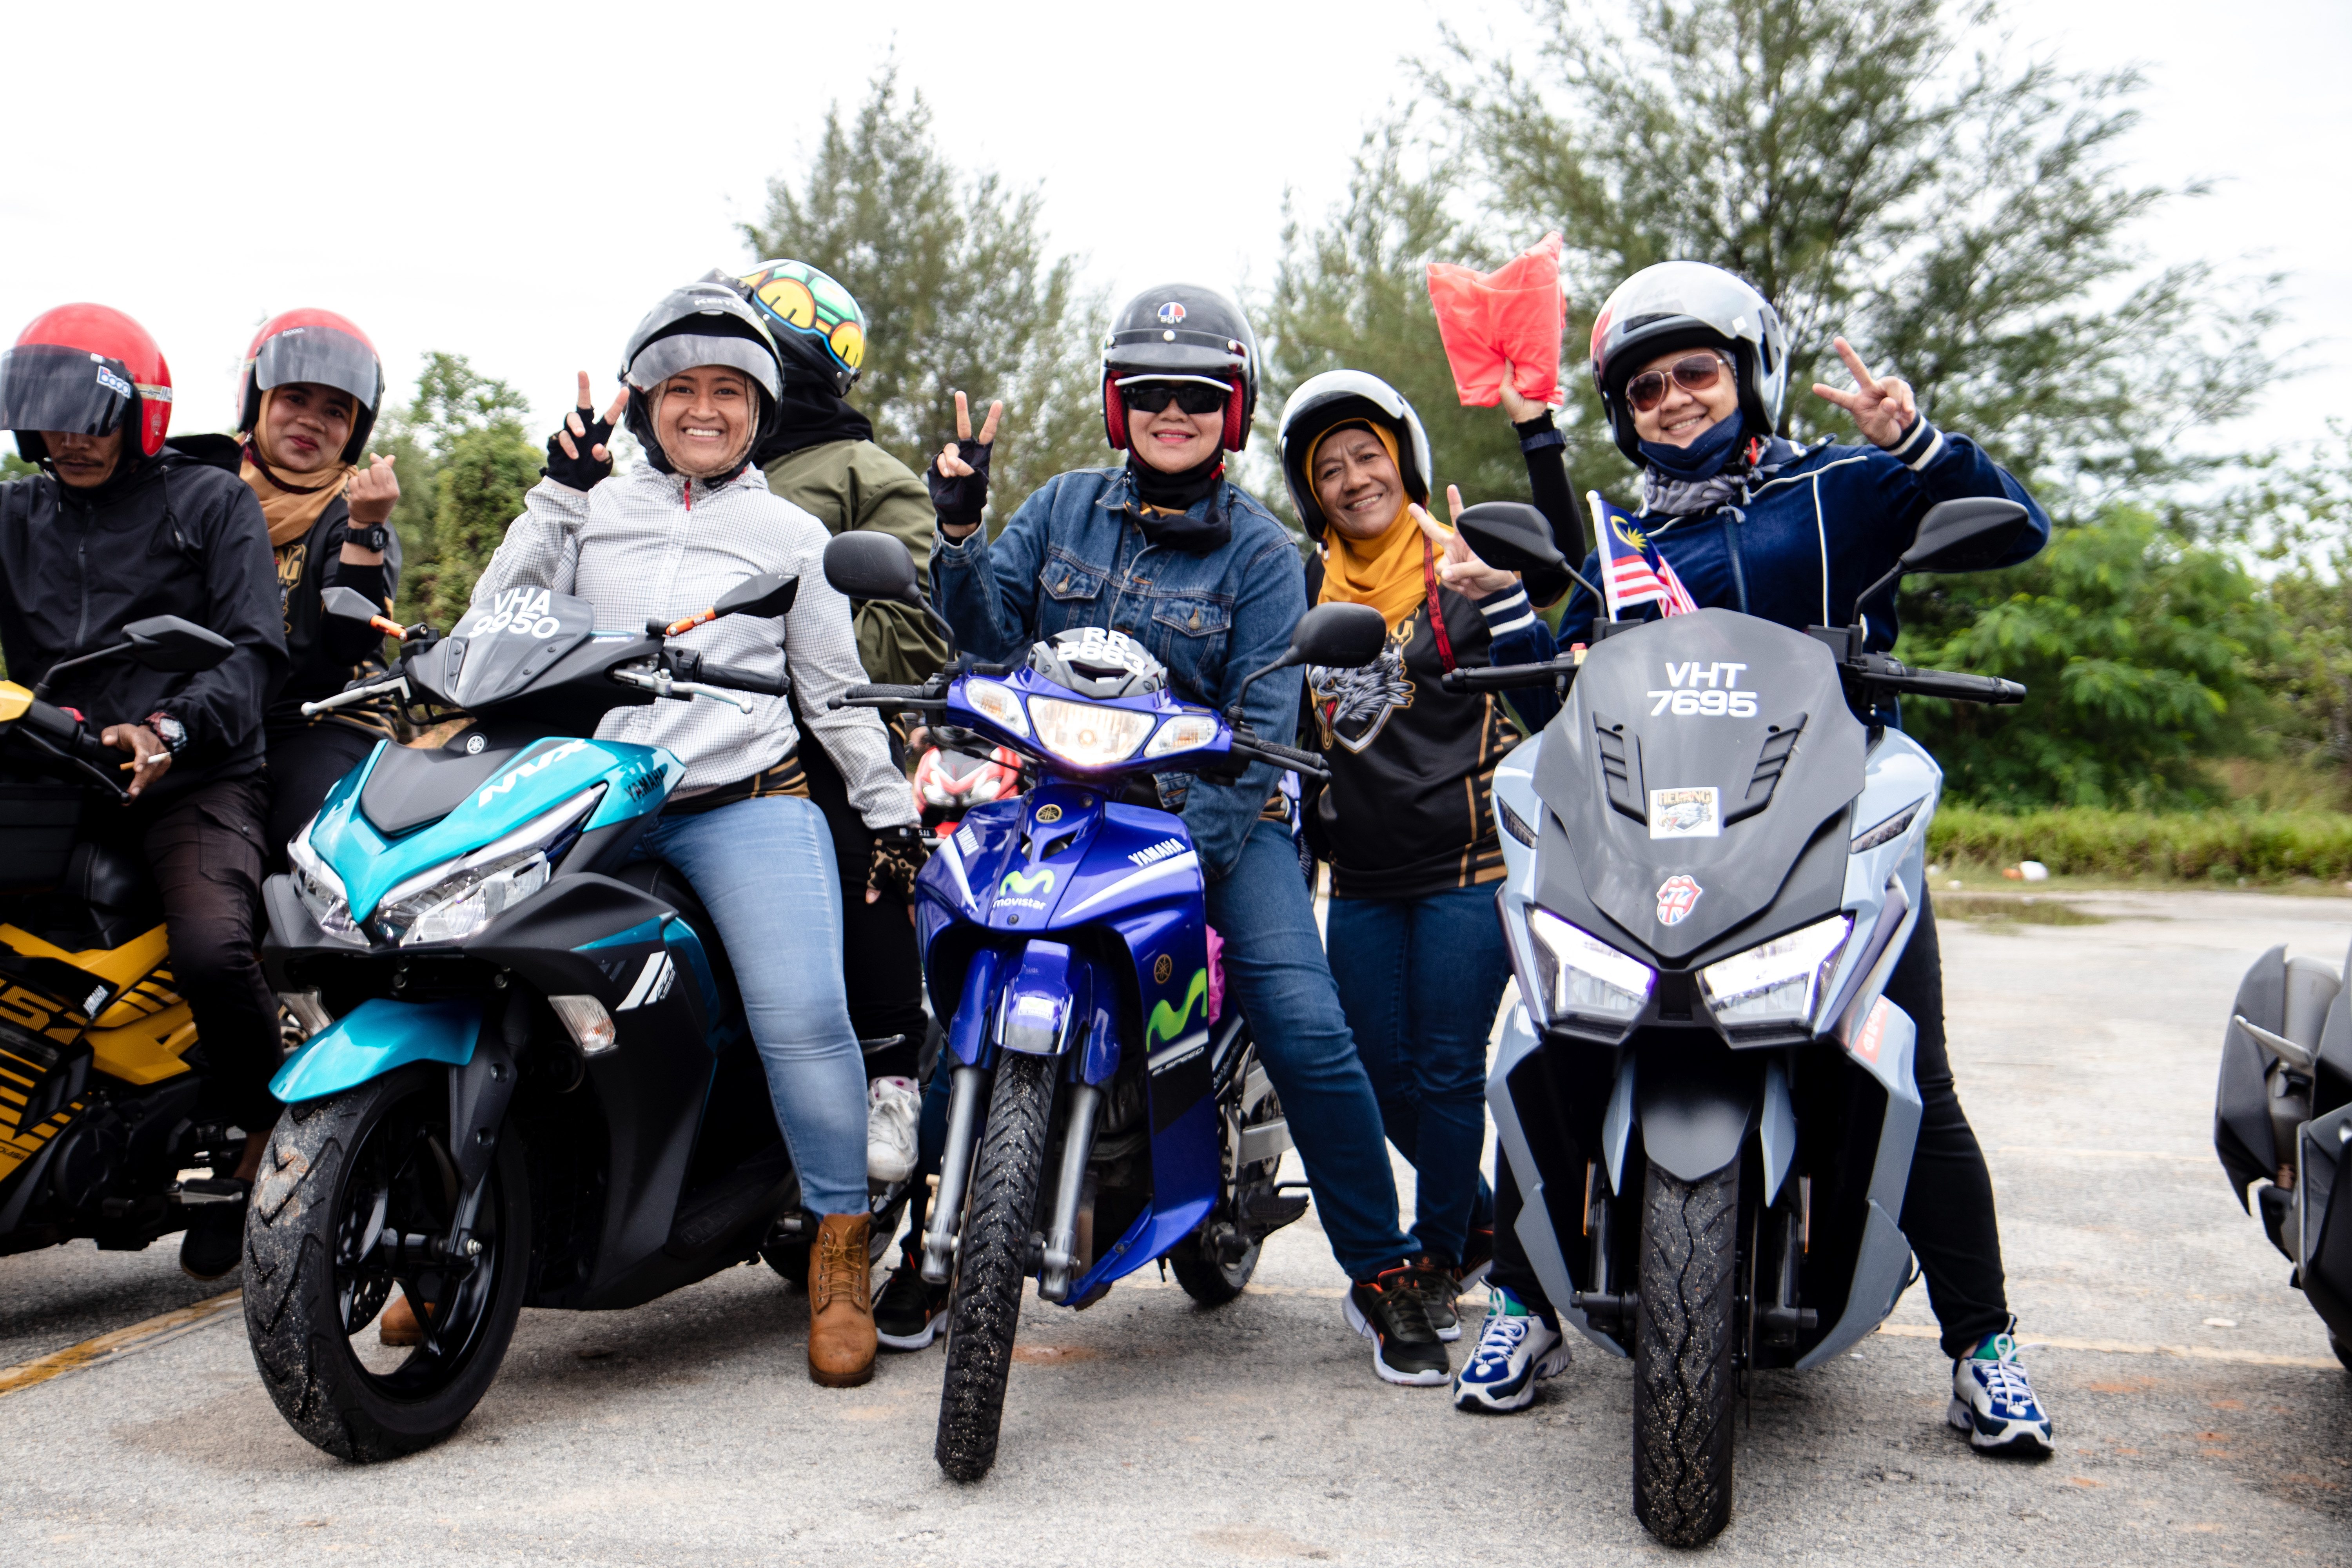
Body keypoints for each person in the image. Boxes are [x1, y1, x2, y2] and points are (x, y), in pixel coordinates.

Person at [1455, 260, 2058, 1454]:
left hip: (1833, 826)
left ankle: (1983, 1347)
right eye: (1645, 389)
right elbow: (1563, 713)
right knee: (1559, 1034)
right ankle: (1523, 1305)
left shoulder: (1841, 489)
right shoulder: (1621, 541)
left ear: (1749, 377)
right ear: (1624, 415)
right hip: (1656, 843)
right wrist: (1516, 615)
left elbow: (2018, 530)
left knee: (1913, 1070)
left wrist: (1916, 442)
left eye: (1697, 372)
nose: (1673, 399)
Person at [890, 283, 1452, 1387]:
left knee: (1306, 1025)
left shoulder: (1263, 554)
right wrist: (958, 532)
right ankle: (941, 1238)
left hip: (1217, 818)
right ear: (1119, 405)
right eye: (1150, 392)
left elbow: (1261, 728)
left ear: (1231, 412)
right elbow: (986, 645)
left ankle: (1381, 1269)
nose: (1173, 412)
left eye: (1198, 395)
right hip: (1060, 799)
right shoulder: (1059, 507)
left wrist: (1188, 850)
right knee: (961, 993)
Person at [458, 277, 927, 1388]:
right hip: (594, 802)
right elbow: (491, 632)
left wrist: (887, 807)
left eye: (728, 391)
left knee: (802, 1017)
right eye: (681, 390)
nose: (703, 409)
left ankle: (839, 1248)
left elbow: (834, 691)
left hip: (742, 802)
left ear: (760, 410)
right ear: (645, 404)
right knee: (484, 980)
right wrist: (555, 495)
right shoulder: (593, 509)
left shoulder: (793, 534)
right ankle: (464, 1226)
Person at [1273, 372, 1580, 1345]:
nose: (1353, 478)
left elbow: (1561, 600)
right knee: (1370, 1072)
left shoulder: (1462, 565)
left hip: (1470, 863)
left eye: (1368, 455)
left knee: (1446, 1071)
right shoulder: (1301, 582)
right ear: (1311, 493)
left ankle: (1442, 1255)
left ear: (1403, 459)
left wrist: (1540, 440)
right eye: (1329, 469)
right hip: (1362, 874)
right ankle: (1482, 1218)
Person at [0, 303, 290, 1280]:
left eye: (91, 416)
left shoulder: (210, 501)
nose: (70, 438)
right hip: (51, 768)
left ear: (141, 413)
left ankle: (268, 1134)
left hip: (193, 774)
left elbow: (252, 655)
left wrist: (169, 729)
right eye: (50, 418)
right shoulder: (14, 514)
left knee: (213, 946)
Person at [737, 259, 941, 1186]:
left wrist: (782, 643)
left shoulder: (869, 476)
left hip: (817, 731)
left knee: (866, 846)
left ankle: (893, 1071)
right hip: (672, 723)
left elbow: (909, 636)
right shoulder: (674, 471)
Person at [232, 309, 405, 862]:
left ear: (355, 429)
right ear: (258, 401)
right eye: (295, 397)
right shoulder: (206, 490)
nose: (311, 421)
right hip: (220, 713)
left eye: (335, 410)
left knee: (300, 840)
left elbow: (347, 647)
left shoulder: (354, 509)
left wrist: (365, 527)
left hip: (327, 715)